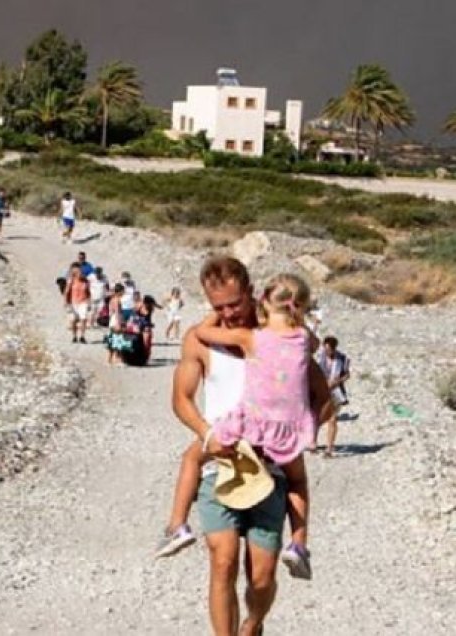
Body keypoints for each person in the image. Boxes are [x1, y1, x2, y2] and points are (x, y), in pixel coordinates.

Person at [166, 256, 332, 636]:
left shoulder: (280, 338)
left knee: (262, 577)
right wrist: (208, 435)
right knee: (222, 561)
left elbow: (323, 398)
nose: (226, 314)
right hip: (220, 464)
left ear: (251, 293)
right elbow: (182, 399)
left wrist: (297, 436)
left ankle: (252, 625)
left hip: (270, 471)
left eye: (234, 304)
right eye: (217, 307)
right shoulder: (201, 340)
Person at [315, 336, 351, 458]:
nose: (327, 352)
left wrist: (338, 381)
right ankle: (313, 442)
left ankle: (329, 448)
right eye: (325, 349)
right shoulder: (320, 357)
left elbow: (347, 374)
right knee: (318, 418)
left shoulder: (343, 359)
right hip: (321, 390)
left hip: (336, 392)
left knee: (332, 419)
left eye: (329, 350)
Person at [64, 263, 91, 344]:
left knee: (84, 319)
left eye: (81, 273)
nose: (80, 274)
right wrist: (66, 302)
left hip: (83, 302)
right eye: (78, 273)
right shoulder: (71, 281)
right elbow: (67, 292)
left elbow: (88, 292)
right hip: (73, 302)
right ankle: (74, 336)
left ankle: (82, 336)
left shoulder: (86, 281)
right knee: (73, 320)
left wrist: (89, 302)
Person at [106, 283, 126, 365]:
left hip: (112, 320)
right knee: (119, 340)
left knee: (112, 340)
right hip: (116, 320)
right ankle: (118, 360)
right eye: (123, 291)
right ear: (119, 291)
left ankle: (109, 360)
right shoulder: (117, 300)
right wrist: (119, 323)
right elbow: (117, 312)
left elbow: (111, 312)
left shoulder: (111, 299)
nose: (123, 293)